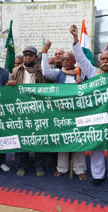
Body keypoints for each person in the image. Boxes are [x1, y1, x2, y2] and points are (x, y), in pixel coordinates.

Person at [70, 25, 108, 190]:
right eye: (103, 59)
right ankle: (98, 176)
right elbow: (80, 57)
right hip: (96, 117)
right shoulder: (93, 72)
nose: (105, 62)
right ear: (99, 62)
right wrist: (76, 39)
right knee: (97, 147)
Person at [41, 40, 87, 181]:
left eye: (68, 59)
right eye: (63, 59)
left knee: (78, 141)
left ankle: (79, 169)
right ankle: (62, 168)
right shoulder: (58, 73)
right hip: (62, 114)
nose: (65, 61)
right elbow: (45, 72)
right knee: (63, 140)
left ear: (74, 61)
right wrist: (44, 52)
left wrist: (82, 82)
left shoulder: (81, 74)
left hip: (77, 113)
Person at [7, 46, 47, 177]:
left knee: (38, 139)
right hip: (21, 110)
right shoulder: (16, 70)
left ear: (36, 57)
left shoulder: (42, 71)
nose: (27, 57)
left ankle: (39, 166)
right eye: (25, 55)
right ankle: (21, 166)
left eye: (30, 55)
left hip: (38, 110)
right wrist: (10, 84)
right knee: (21, 138)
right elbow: (10, 89)